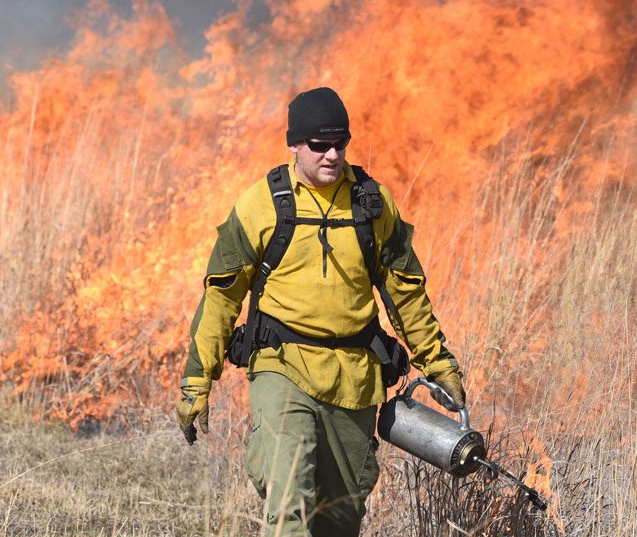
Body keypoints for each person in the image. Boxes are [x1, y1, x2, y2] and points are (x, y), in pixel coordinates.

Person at [175, 87, 465, 537]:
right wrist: (198, 381)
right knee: (288, 497)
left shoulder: (373, 204)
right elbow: (221, 297)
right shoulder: (260, 205)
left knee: (339, 517)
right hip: (282, 366)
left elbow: (405, 292)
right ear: (294, 144)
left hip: (355, 377)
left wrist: (438, 362)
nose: (332, 155)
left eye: (341, 144)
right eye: (319, 145)